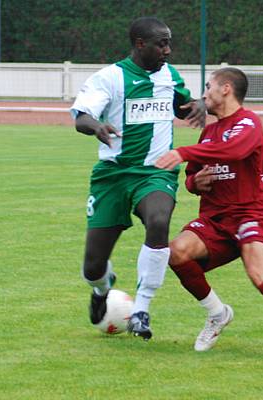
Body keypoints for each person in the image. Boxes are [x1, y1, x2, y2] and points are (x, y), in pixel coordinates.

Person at [155, 67, 263, 364]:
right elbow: (192, 177)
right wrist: (194, 183)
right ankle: (217, 313)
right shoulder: (209, 130)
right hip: (214, 218)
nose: (204, 93)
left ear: (226, 88)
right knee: (175, 253)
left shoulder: (248, 123)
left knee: (258, 273)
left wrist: (183, 152)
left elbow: (233, 151)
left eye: (208, 86)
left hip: (251, 212)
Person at [70, 16, 206, 341]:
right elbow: (82, 117)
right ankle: (102, 288)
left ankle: (142, 309)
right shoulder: (111, 77)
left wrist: (200, 105)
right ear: (140, 44)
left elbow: (183, 107)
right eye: (162, 44)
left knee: (159, 220)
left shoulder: (169, 76)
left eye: (169, 42)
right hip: (113, 176)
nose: (168, 50)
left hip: (155, 172)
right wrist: (97, 127)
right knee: (92, 266)